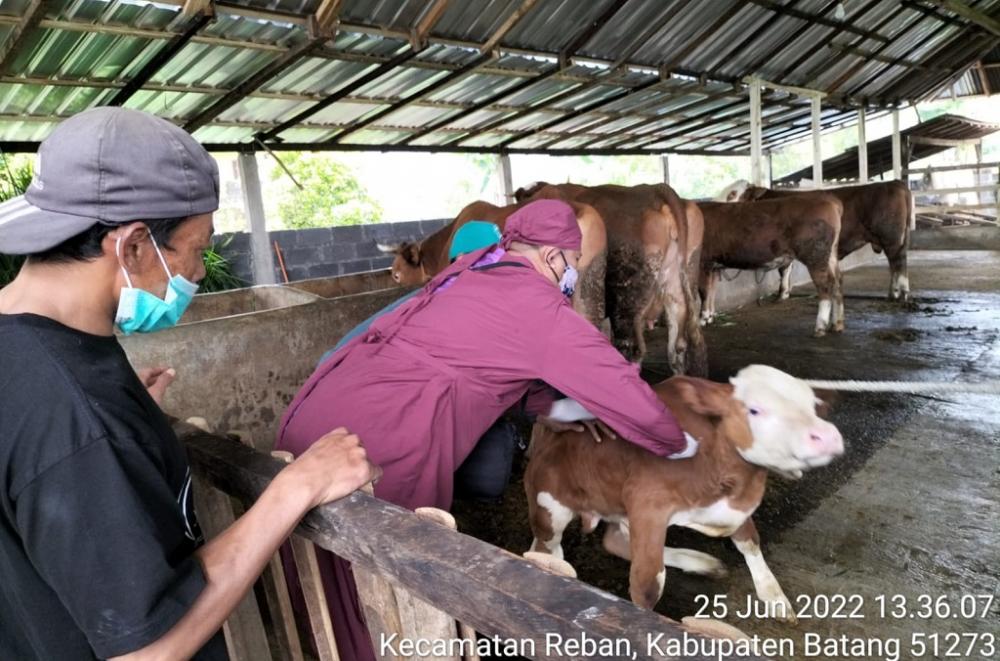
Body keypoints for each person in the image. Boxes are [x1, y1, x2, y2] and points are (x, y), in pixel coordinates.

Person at [0, 107, 379, 661]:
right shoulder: (77, 416)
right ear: (131, 247)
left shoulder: (29, 349)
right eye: (197, 249)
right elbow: (145, 651)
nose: (199, 272)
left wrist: (132, 426)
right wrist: (295, 488)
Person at [277, 198, 697, 660]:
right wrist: (677, 442)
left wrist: (567, 409)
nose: (574, 274)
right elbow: (617, 382)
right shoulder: (532, 302)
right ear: (553, 257)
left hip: (319, 415)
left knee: (316, 561)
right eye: (575, 263)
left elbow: (491, 370)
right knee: (382, 570)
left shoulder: (472, 273)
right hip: (381, 432)